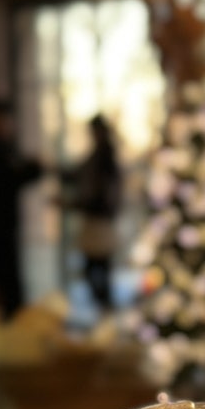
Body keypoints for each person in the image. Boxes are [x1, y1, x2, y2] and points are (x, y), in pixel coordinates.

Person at [0, 98, 44, 319]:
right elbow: (5, 179)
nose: (5, 125)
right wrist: (32, 169)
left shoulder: (4, 146)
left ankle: (11, 325)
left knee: (6, 280)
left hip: (3, 225)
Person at [63, 114, 123, 310]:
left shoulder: (105, 159)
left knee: (98, 268)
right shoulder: (98, 156)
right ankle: (103, 307)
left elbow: (100, 197)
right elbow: (76, 177)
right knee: (96, 268)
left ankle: (105, 308)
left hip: (100, 221)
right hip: (97, 220)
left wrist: (72, 204)